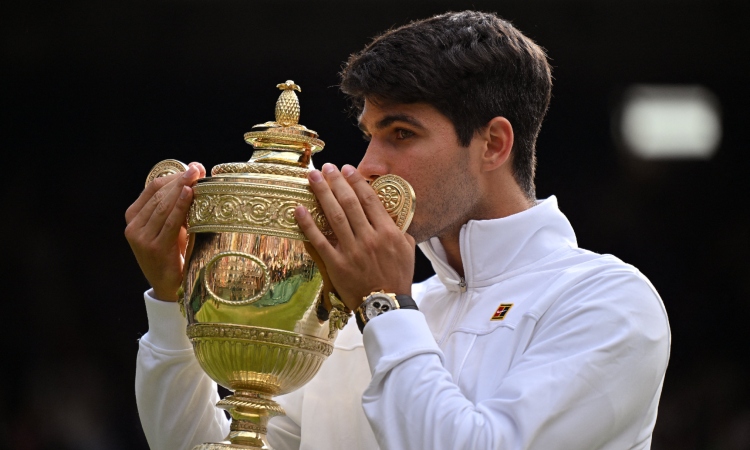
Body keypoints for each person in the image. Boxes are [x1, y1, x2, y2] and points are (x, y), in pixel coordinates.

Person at [127, 10, 670, 450]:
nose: (366, 166)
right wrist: (172, 302)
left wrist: (385, 305)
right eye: (368, 135)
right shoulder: (360, 312)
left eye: (401, 133)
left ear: (494, 144)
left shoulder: (609, 302)